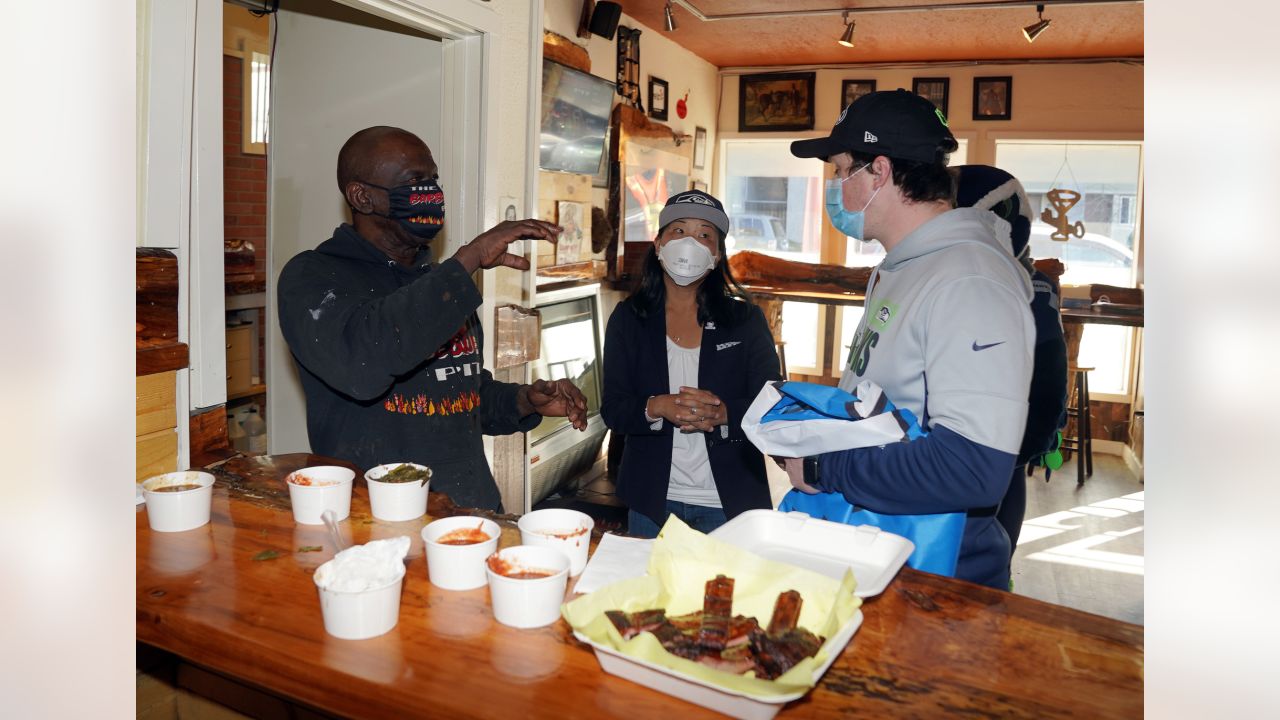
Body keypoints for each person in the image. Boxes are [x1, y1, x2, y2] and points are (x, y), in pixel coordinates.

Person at [785, 90, 1035, 590]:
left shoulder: (969, 280)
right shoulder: (904, 265)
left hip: (939, 569)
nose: (836, 187)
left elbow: (972, 468)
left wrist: (825, 465)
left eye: (840, 170)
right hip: (881, 544)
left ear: (879, 172)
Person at [277, 126, 588, 512]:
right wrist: (468, 260)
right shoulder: (312, 277)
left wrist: (524, 401)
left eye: (433, 179)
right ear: (362, 196)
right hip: (374, 518)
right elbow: (365, 363)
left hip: (468, 509)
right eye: (414, 181)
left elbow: (457, 394)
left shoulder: (435, 281)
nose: (431, 192)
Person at [602, 190, 781, 536]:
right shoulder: (629, 319)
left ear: (716, 254)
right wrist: (656, 407)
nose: (690, 243)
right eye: (678, 231)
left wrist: (724, 412)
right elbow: (613, 409)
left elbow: (773, 401)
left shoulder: (744, 320)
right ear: (658, 244)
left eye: (704, 235)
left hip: (728, 503)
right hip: (652, 503)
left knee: (725, 591)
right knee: (653, 591)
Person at [953, 164, 1069, 569]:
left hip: (1003, 451)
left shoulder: (1032, 288)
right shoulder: (952, 278)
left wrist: (1022, 449)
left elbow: (1049, 377)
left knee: (990, 554)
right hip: (951, 451)